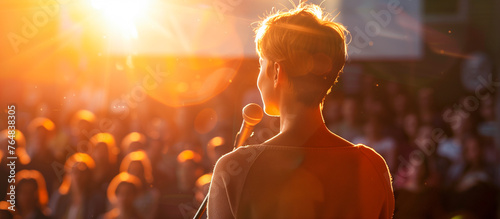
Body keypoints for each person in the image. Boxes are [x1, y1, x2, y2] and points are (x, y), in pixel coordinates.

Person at [207, 3, 394, 218]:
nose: (259, 79)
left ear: (277, 71)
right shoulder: (371, 165)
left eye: (261, 64)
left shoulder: (234, 169)